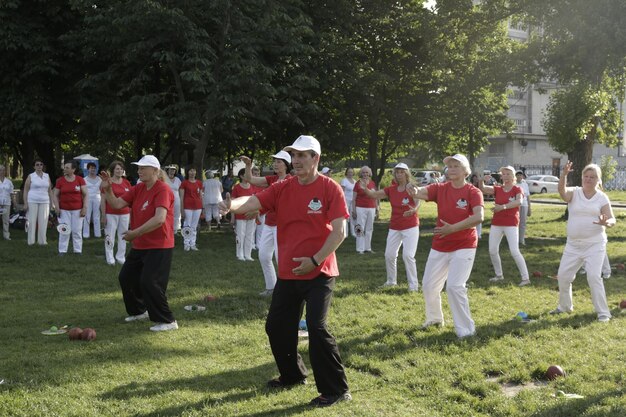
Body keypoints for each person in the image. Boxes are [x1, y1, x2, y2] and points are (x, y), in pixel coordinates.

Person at [221, 135, 351, 407]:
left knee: (316, 327)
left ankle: (336, 390)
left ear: (315, 158)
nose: (297, 160)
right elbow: (252, 203)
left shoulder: (330, 188)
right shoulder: (283, 187)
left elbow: (340, 232)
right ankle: (292, 375)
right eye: (294, 155)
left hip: (320, 271)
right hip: (290, 273)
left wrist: (314, 260)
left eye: (303, 155)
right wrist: (229, 205)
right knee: (277, 326)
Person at [408, 154, 483, 339]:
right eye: (449, 166)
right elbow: (421, 192)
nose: (451, 168)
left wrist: (452, 229)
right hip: (441, 244)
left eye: (456, 165)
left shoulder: (473, 192)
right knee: (428, 285)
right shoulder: (440, 188)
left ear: (465, 170)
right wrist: (413, 189)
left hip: (465, 244)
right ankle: (434, 319)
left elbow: (478, 217)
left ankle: (466, 330)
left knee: (455, 287)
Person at [100, 155, 177, 331]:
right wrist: (108, 190)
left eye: (143, 168)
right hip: (141, 244)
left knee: (150, 281)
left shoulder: (163, 189)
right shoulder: (139, 188)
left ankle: (168, 320)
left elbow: (159, 219)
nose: (139, 171)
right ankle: (139, 311)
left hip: (160, 244)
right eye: (139, 168)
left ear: (155, 171)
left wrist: (135, 232)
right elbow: (117, 204)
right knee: (126, 277)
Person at [550, 162, 615, 322]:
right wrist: (564, 175)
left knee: (593, 277)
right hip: (573, 245)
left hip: (595, 245)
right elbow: (562, 192)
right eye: (586, 176)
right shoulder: (575, 192)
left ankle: (604, 313)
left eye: (592, 177)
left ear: (598, 180)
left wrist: (606, 223)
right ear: (581, 177)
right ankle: (565, 306)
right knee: (563, 276)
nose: (588, 179)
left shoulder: (602, 197)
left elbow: (612, 218)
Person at [359, 163, 421, 291]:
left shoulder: (411, 187)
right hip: (395, 226)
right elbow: (374, 195)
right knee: (389, 255)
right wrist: (365, 188)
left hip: (410, 226)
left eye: (402, 172)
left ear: (406, 173)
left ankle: (413, 285)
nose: (399, 174)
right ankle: (391, 281)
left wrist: (414, 210)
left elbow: (418, 201)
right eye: (397, 172)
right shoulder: (391, 189)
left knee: (408, 255)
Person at [241, 151, 291, 296]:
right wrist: (249, 165)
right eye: (274, 161)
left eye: (279, 161)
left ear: (286, 165)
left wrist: (258, 209)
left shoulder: (291, 181)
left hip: (282, 225)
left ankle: (285, 290)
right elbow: (250, 179)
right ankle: (271, 287)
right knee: (263, 255)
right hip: (269, 224)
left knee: (280, 258)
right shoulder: (272, 179)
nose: (275, 164)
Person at [480, 166, 530, 286]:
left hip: (511, 223)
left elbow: (519, 202)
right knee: (492, 250)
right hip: (497, 223)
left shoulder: (517, 189)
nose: (506, 176)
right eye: (504, 174)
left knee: (514, 251)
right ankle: (499, 275)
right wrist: (482, 179)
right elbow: (482, 188)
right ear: (501, 176)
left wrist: (502, 207)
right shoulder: (497, 189)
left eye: (508, 174)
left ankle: (526, 278)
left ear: (513, 176)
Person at [53, 160, 87, 255]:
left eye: (67, 167)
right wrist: (57, 207)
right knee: (64, 230)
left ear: (73, 169)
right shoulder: (60, 181)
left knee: (77, 230)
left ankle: (78, 250)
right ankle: (62, 250)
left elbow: (86, 194)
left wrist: (85, 208)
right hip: (64, 210)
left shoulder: (80, 180)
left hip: (78, 210)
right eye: (65, 167)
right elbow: (55, 195)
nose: (65, 169)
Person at [101, 161, 131, 265]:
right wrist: (103, 215)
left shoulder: (127, 183)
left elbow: (131, 199)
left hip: (125, 213)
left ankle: (121, 257)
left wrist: (131, 214)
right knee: (110, 236)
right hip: (111, 213)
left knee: (123, 236)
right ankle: (110, 258)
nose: (120, 171)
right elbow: (103, 200)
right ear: (113, 170)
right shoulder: (107, 182)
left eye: (121, 169)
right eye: (117, 169)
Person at [23, 159, 55, 245]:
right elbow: (26, 190)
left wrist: (52, 203)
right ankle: (31, 241)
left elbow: (50, 190)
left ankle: (42, 241)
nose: (39, 166)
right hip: (32, 200)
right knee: (32, 221)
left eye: (41, 164)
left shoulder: (47, 176)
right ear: (34, 166)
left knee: (43, 221)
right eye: (37, 165)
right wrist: (25, 203)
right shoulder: (31, 176)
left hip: (45, 201)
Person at [231, 168, 256, 261]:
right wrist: (233, 217)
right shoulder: (236, 187)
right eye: (247, 174)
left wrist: (255, 212)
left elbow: (255, 201)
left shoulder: (253, 186)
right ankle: (240, 254)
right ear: (241, 176)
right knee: (240, 235)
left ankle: (248, 255)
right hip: (240, 214)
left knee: (250, 235)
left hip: (251, 214)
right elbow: (232, 203)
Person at [352, 166, 378, 254]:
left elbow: (375, 196)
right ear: (361, 173)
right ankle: (360, 249)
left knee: (370, 228)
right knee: (359, 227)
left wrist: (377, 208)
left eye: (367, 172)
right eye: (363, 172)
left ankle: (368, 248)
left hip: (372, 207)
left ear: (369, 174)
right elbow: (353, 198)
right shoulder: (357, 183)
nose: (365, 174)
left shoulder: (372, 183)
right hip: (360, 208)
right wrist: (354, 210)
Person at [179, 167, 203, 251]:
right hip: (187, 206)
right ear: (187, 172)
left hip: (198, 206)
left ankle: (193, 243)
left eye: (194, 170)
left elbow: (201, 195)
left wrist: (202, 206)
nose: (192, 172)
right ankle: (186, 243)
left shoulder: (199, 183)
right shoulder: (184, 183)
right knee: (187, 224)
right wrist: (181, 209)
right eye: (190, 170)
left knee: (194, 225)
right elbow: (181, 197)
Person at [83, 162, 102, 239]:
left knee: (97, 216)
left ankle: (98, 234)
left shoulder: (100, 179)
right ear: (88, 169)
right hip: (88, 198)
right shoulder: (84, 179)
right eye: (91, 168)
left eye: (94, 168)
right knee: (87, 216)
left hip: (97, 198)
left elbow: (101, 189)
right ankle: (85, 234)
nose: (93, 169)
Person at [515, 171, 531, 245]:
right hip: (516, 205)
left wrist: (529, 208)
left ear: (522, 176)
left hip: (524, 205)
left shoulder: (525, 184)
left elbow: (528, 196)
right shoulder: (514, 184)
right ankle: (515, 239)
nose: (519, 176)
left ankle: (521, 240)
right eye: (517, 175)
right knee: (515, 222)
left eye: (520, 175)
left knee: (523, 223)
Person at [165, 165, 182, 233]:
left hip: (176, 199)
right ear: (168, 170)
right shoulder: (165, 179)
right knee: (167, 214)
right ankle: (167, 228)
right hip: (167, 198)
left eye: (174, 170)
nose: (172, 171)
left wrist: (181, 199)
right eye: (171, 169)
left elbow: (180, 190)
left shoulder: (178, 180)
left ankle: (175, 229)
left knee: (177, 214)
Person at [340, 167, 356, 238]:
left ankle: (353, 233)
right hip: (346, 201)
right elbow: (341, 192)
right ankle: (345, 233)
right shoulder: (344, 181)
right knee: (345, 217)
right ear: (346, 173)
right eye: (349, 172)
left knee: (353, 217)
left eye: (351, 172)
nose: (350, 174)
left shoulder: (355, 181)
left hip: (353, 201)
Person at [0, 164, 15, 240]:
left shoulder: (9, 182)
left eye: (3, 170)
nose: (1, 171)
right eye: (0, 170)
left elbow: (11, 193)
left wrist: (14, 202)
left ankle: (6, 235)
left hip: (7, 203)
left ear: (5, 171)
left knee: (5, 220)